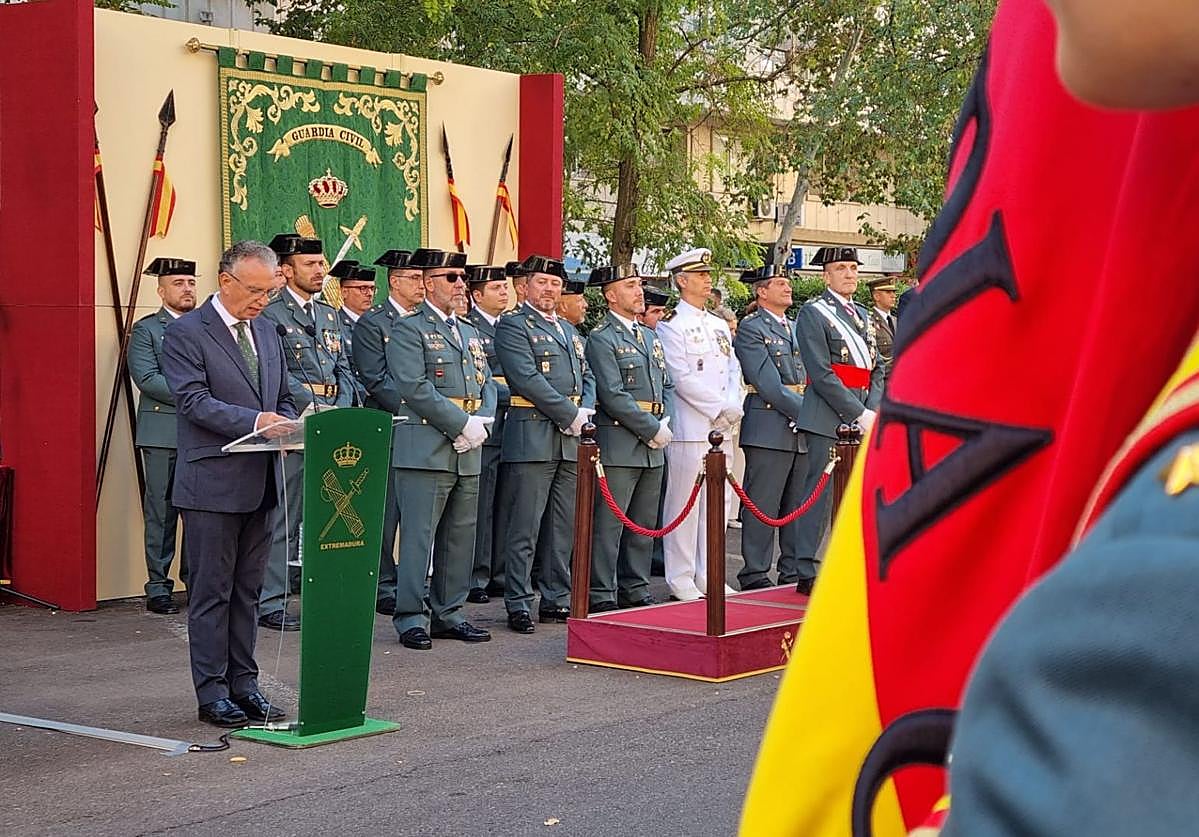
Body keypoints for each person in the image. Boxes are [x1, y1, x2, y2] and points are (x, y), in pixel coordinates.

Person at [161, 240, 297, 727]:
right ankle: (212, 692)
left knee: (248, 593)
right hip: (212, 485)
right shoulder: (187, 333)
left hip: (260, 480)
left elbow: (282, 392)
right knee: (212, 593)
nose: (263, 301)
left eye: (270, 292)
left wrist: (301, 419)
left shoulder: (268, 329)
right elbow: (193, 401)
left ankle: (245, 684)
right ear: (226, 281)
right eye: (256, 291)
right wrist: (257, 420)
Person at [384, 248, 496, 651]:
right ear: (428, 283)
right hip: (427, 447)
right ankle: (411, 616)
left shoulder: (467, 331)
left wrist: (480, 421)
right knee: (419, 537)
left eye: (462, 278)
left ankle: (450, 612)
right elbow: (413, 386)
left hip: (468, 446)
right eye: (452, 277)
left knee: (459, 537)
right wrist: (460, 423)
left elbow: (487, 384)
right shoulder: (409, 329)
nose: (461, 284)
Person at [257, 233, 357, 632]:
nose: (321, 271)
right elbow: (276, 373)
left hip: (333, 422)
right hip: (297, 425)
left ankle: (324, 593)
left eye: (322, 263)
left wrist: (345, 407)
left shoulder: (329, 314)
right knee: (287, 514)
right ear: (285, 270)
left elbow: (344, 366)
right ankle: (272, 600)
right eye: (311, 265)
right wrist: (314, 410)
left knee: (328, 517)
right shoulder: (271, 314)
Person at [494, 255, 596, 632]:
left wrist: (585, 410)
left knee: (561, 526)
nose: (550, 290)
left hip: (570, 440)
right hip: (534, 435)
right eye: (542, 283)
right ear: (524, 287)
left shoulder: (570, 332)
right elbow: (526, 378)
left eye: (555, 284)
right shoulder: (513, 326)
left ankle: (556, 597)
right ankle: (519, 600)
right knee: (525, 526)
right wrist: (570, 416)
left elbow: (588, 376)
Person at [791, 246, 883, 595]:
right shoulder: (815, 313)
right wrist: (857, 412)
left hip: (863, 414)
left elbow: (877, 367)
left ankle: (846, 563)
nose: (849, 274)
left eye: (853, 268)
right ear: (825, 275)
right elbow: (821, 372)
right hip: (828, 416)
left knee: (855, 496)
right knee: (821, 494)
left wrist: (871, 409)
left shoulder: (861, 313)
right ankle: (809, 568)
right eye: (841, 268)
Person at [584, 264, 674, 610]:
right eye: (631, 285)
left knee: (643, 522)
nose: (639, 292)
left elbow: (666, 384)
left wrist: (664, 421)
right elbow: (611, 393)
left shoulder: (649, 335)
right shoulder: (602, 337)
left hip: (653, 440)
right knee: (610, 524)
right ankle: (602, 591)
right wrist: (652, 429)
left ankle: (635, 587)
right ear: (610, 295)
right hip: (621, 440)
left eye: (639, 285)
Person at [656, 247, 743, 601]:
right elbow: (680, 377)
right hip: (693, 427)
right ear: (682, 280)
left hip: (724, 426)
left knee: (717, 505)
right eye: (701, 275)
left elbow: (733, 367)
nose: (708, 280)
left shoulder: (718, 323)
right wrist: (718, 407)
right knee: (685, 505)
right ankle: (681, 576)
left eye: (709, 274)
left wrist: (734, 404)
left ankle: (711, 573)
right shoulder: (671, 325)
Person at [352, 249, 422, 617]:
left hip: (427, 428)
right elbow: (376, 379)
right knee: (386, 511)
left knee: (418, 513)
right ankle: (382, 582)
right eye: (413, 278)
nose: (421, 285)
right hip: (393, 425)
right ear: (394, 281)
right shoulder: (373, 323)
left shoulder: (429, 322)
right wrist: (416, 411)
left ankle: (414, 581)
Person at [732, 263, 808, 590]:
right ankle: (755, 571)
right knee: (763, 503)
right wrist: (808, 413)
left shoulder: (795, 326)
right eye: (779, 283)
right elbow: (767, 382)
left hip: (801, 426)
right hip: (768, 425)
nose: (787, 287)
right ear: (762, 291)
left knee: (798, 504)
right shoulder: (752, 328)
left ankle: (792, 569)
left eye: (787, 282)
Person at [128, 257, 196, 615]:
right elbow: (148, 379)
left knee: (199, 512)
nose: (186, 289)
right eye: (178, 283)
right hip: (163, 433)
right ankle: (158, 586)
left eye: (190, 282)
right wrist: (199, 394)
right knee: (162, 511)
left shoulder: (206, 328)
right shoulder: (148, 330)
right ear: (161, 290)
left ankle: (194, 582)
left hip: (202, 432)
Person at [464, 265, 511, 603]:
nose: (504, 292)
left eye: (504, 286)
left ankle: (499, 571)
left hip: (515, 424)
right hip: (485, 423)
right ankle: (475, 576)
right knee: (480, 505)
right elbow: (485, 381)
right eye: (496, 288)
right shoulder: (471, 328)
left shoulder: (511, 326)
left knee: (505, 502)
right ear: (477, 295)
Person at [328, 259, 377, 394]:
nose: (369, 294)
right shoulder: (334, 325)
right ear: (344, 292)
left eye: (372, 288)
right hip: (356, 400)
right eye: (362, 288)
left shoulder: (377, 325)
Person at [867, 276, 898, 372]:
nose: (893, 296)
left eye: (894, 292)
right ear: (877, 296)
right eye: (888, 292)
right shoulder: (869, 321)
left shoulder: (895, 320)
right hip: (882, 379)